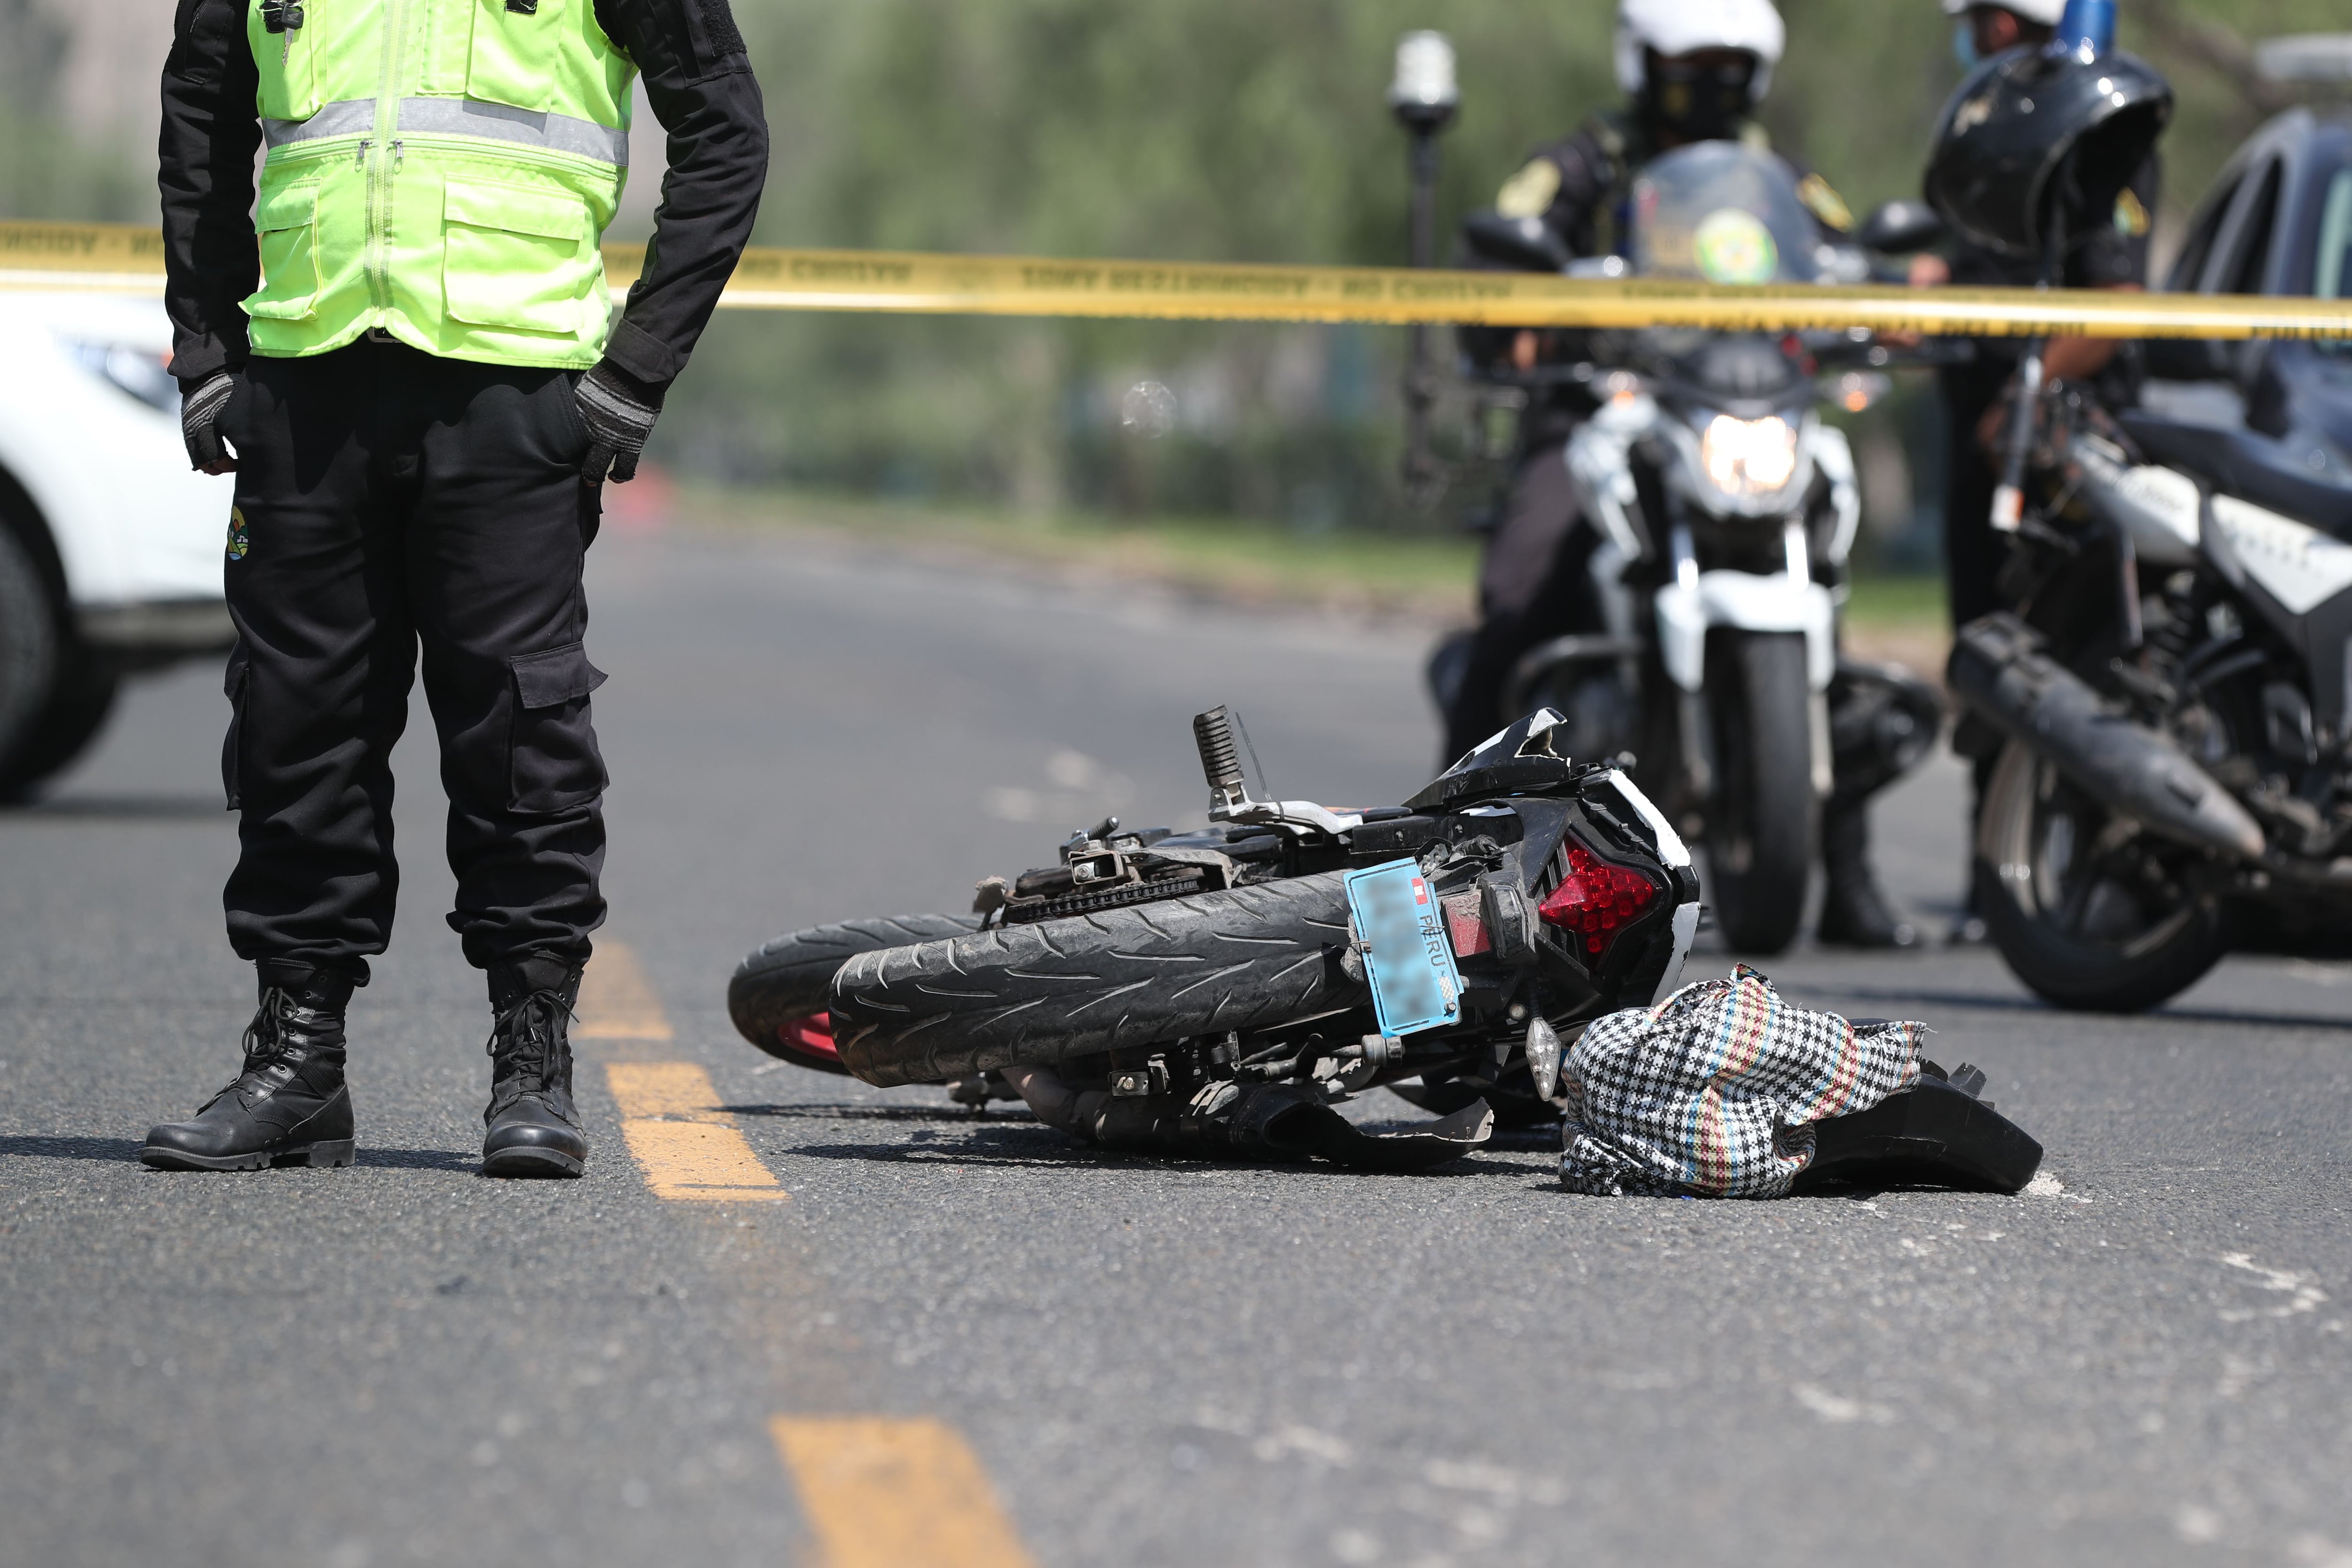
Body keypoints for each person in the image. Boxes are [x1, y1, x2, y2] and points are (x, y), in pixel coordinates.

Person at [142, 0, 769, 1176]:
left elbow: (727, 130)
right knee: (295, 729)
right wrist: (211, 345)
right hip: (309, 386)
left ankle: (532, 1064)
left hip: (515, 389)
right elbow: (201, 121)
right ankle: (297, 1063)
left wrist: (637, 372)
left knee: (517, 736)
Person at [1443, 0, 1922, 948]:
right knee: (1519, 581)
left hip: (1742, 406)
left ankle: (1848, 873)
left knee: (1821, 584)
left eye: (1729, 66)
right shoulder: (1588, 163)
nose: (1710, 85)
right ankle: (1454, 851)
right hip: (1608, 405)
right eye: (1689, 63)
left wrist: (1890, 292)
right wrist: (1516, 303)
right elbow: (1503, 237)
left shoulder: (1780, 174)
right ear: (1641, 62)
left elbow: (1843, 250)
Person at [1911, 0, 2158, 939]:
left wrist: (2030, 393)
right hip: (1983, 437)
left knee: (2084, 660)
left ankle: (2106, 879)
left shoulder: (2102, 129)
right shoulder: (1997, 137)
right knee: (1986, 648)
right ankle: (1995, 885)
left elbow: (2115, 302)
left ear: (2014, 24)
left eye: (1980, 18)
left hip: (2065, 443)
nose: (1971, 36)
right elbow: (1964, 262)